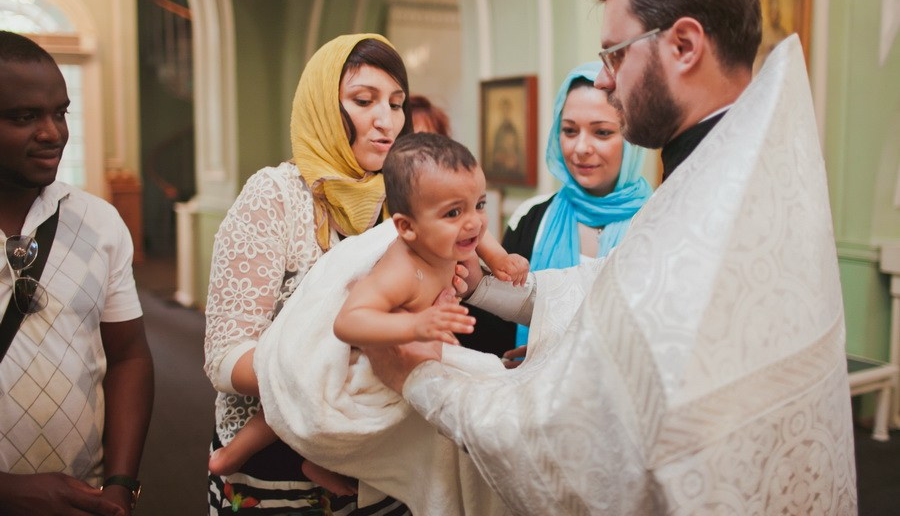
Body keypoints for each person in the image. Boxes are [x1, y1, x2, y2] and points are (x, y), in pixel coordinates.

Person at [365, 0, 857, 514]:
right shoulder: (743, 176)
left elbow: (560, 449)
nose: (603, 77)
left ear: (684, 45)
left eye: (616, 54)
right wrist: (491, 290)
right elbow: (613, 290)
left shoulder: (716, 214)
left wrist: (415, 377)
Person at [205, 33, 458, 514]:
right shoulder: (276, 196)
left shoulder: (401, 200)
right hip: (277, 472)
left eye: (396, 104)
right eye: (364, 101)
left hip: (375, 461)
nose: (387, 121)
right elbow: (224, 359)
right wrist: (344, 361)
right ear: (323, 106)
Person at [208, 133, 528, 479]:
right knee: (296, 388)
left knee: (408, 405)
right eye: (454, 212)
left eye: (479, 204)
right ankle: (235, 453)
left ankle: (324, 461)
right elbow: (347, 322)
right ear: (406, 227)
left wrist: (500, 259)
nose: (474, 222)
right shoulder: (402, 271)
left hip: (398, 344)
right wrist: (415, 325)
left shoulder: (455, 230)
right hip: (354, 346)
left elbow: (481, 237)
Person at [0, 31, 154, 516]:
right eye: (23, 117)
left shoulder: (99, 222)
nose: (53, 133)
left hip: (83, 499)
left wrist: (119, 485)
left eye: (60, 113)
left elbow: (128, 357)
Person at [467, 62, 652, 356]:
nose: (580, 148)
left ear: (631, 138)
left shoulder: (655, 221)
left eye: (602, 132)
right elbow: (496, 329)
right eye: (569, 130)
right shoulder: (532, 217)